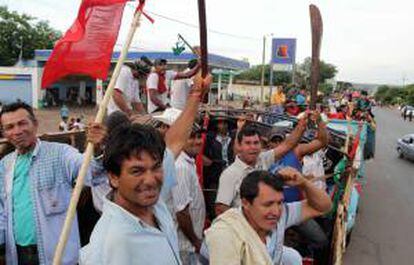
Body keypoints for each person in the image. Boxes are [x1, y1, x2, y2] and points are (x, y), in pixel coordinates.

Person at [80, 74, 213, 264]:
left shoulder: (154, 204)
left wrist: (196, 94)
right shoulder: (109, 245)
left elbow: (174, 142)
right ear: (114, 177)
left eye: (156, 167)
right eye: (137, 171)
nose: (150, 180)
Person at [0, 101, 107, 264]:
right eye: (10, 127)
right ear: (4, 133)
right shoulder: (4, 166)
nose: (17, 131)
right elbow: (3, 213)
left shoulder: (60, 154)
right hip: (16, 256)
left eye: (22, 123)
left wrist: (99, 149)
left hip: (57, 258)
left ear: (35, 124)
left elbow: (93, 172)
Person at [204, 169, 332, 265]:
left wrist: (303, 183)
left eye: (280, 202)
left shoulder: (282, 214)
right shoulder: (226, 233)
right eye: (268, 204)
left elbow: (323, 207)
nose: (276, 211)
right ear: (246, 203)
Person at [214, 116, 307, 216]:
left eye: (256, 143)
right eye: (248, 143)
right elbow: (220, 208)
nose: (252, 147)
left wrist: (301, 125)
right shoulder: (230, 174)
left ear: (261, 145)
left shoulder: (263, 159)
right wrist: (243, 224)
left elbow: (287, 145)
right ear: (239, 146)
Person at [172, 127, 206, 264]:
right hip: (184, 245)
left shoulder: (188, 162)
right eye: (192, 137)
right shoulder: (181, 167)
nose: (197, 141)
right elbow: (181, 212)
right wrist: (195, 241)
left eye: (199, 136)